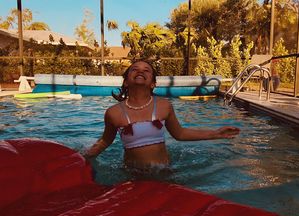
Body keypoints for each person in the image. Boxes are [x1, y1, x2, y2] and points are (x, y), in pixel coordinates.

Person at [84, 60, 240, 169]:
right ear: (125, 82)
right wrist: (84, 157)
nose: (140, 71)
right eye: (134, 69)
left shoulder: (163, 106)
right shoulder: (114, 112)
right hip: (132, 173)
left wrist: (215, 133)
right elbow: (105, 141)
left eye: (146, 70)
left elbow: (180, 133)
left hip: (163, 170)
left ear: (153, 83)